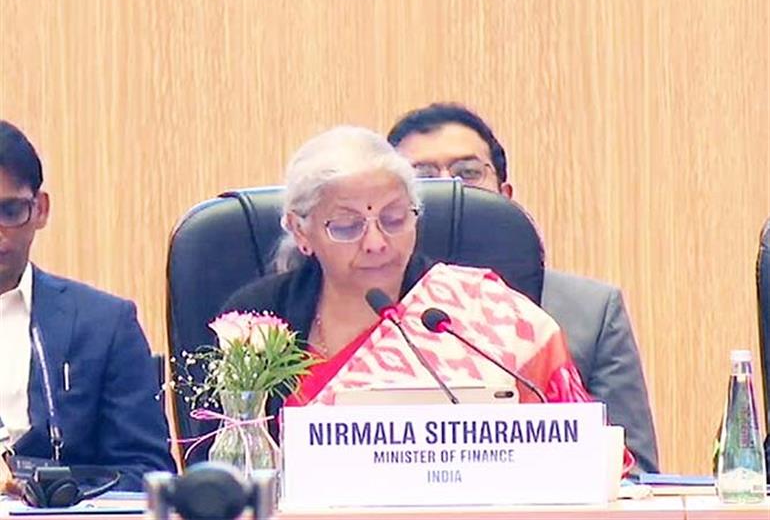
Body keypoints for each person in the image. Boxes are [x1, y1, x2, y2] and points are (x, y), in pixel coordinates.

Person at [222, 125, 634, 471]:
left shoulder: (483, 313)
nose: (376, 242)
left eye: (394, 219)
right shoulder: (254, 323)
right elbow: (226, 466)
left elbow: (585, 459)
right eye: (347, 226)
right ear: (301, 231)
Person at [387, 103, 659, 473]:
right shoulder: (356, 308)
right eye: (422, 177)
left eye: (468, 173)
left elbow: (635, 475)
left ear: (505, 194)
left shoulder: (590, 311)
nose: (448, 187)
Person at [0, 120, 176, 491]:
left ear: (40, 209)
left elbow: (146, 472)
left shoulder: (104, 325)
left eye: (9, 211)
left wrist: (61, 495)